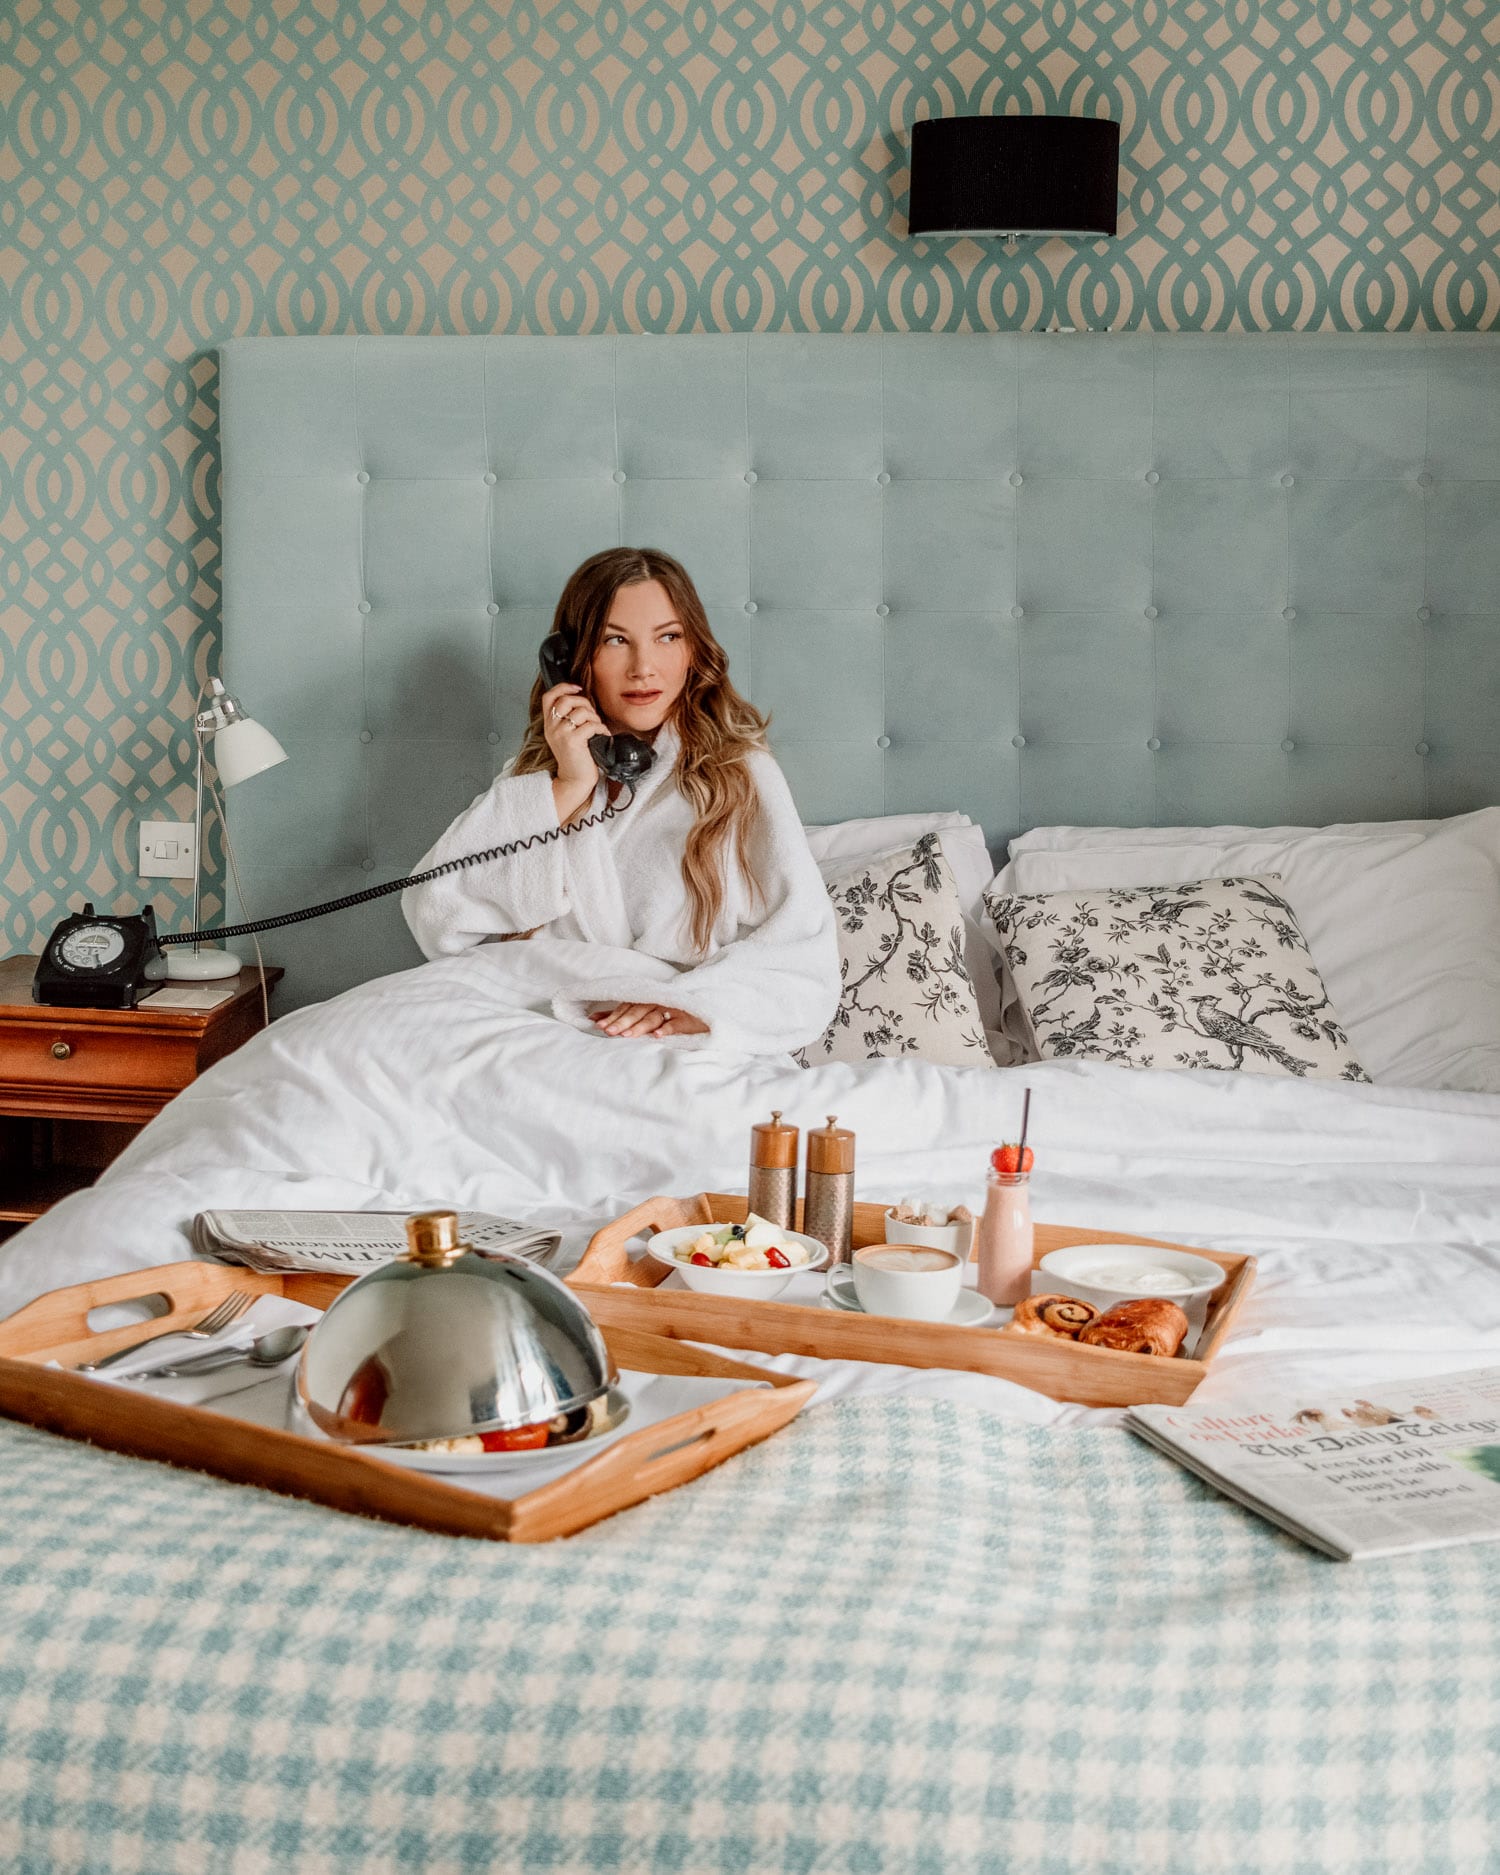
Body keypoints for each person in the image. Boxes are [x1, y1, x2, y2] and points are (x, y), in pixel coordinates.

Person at [401, 547, 840, 1055]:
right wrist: (568, 785)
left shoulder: (739, 777)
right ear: (569, 660)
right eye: (615, 640)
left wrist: (689, 1005)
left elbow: (801, 958)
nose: (643, 668)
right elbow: (434, 914)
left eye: (668, 637)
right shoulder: (537, 784)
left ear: (694, 650)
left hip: (663, 1035)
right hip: (523, 1027)